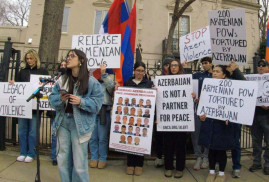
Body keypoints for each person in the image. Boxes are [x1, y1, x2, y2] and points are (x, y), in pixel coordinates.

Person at [49, 49, 104, 182]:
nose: (68, 58)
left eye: (72, 56)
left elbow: (97, 103)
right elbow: (52, 99)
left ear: (81, 61)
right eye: (68, 56)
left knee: (79, 164)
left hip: (80, 125)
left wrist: (81, 101)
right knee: (62, 159)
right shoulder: (62, 80)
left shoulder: (91, 82)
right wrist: (60, 99)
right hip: (62, 123)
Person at [199, 65, 236, 182]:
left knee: (221, 150)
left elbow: (234, 105)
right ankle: (211, 171)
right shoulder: (207, 86)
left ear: (224, 75)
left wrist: (229, 117)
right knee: (211, 149)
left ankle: (221, 173)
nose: (214, 73)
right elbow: (203, 104)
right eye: (213, 71)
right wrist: (202, 115)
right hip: (210, 123)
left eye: (217, 71)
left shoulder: (231, 88)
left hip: (223, 125)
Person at [15, 49, 49, 163]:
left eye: (31, 58)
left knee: (33, 131)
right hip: (24, 106)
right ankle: (22, 152)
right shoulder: (22, 72)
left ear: (36, 58)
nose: (29, 60)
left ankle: (31, 153)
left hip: (35, 107)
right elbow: (17, 87)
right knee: (22, 130)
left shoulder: (43, 71)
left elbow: (47, 88)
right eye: (27, 59)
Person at [124, 61, 153, 176]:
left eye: (142, 71)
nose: (140, 73)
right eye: (138, 70)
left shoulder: (148, 83)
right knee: (130, 138)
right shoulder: (128, 83)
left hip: (143, 116)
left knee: (140, 139)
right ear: (134, 71)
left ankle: (139, 164)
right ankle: (130, 163)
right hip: (131, 115)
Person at [163, 58, 188, 178]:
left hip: (181, 120)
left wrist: (192, 94)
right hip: (168, 119)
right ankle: (168, 167)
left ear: (179, 68)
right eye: (171, 66)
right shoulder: (164, 80)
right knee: (168, 145)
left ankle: (179, 168)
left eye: (176, 66)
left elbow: (190, 95)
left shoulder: (185, 80)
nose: (173, 68)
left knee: (180, 145)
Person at [89, 64, 115, 169]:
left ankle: (103, 158)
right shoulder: (91, 81)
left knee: (102, 137)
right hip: (92, 111)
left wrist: (104, 75)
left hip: (104, 111)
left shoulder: (107, 80)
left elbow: (112, 88)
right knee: (92, 137)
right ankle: (94, 157)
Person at [191, 57, 213, 171]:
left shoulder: (215, 76)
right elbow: (186, 80)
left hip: (210, 111)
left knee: (208, 134)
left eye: (206, 63)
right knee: (196, 134)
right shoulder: (198, 75)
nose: (204, 65)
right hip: (197, 109)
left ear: (211, 64)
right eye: (203, 63)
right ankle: (198, 156)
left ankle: (206, 157)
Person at [249, 59, 269, 175]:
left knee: (268, 141)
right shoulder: (252, 79)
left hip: (267, 116)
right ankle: (256, 162)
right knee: (256, 141)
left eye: (263, 65)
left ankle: (267, 164)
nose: (261, 67)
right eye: (259, 65)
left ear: (267, 67)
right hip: (255, 115)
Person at [154, 56, 173, 168]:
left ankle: (168, 157)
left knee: (170, 138)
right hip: (160, 112)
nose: (168, 67)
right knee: (159, 136)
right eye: (166, 65)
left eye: (170, 65)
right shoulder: (158, 79)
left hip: (173, 112)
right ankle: (159, 156)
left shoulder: (179, 78)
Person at [47, 59, 67, 166]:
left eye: (65, 65)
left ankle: (62, 157)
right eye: (61, 65)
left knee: (63, 137)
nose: (63, 67)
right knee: (55, 135)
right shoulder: (53, 79)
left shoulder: (69, 79)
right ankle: (54, 156)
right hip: (53, 112)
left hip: (63, 111)